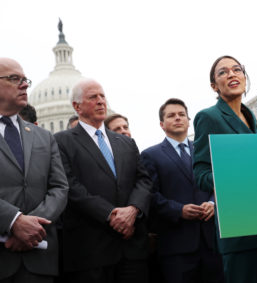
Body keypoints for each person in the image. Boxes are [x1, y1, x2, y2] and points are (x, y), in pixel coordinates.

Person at [193, 55, 257, 283]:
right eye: (223, 72)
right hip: (242, 233)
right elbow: (200, 174)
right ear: (214, 86)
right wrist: (232, 176)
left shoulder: (250, 118)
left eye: (237, 69)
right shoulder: (209, 117)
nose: (232, 74)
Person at [54, 78, 153, 283]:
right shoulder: (61, 141)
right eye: (93, 97)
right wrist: (111, 215)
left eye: (102, 96)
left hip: (132, 248)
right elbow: (70, 186)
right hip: (91, 251)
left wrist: (133, 210)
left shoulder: (125, 142)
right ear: (76, 106)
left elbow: (143, 180)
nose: (100, 101)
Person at [140, 98, 224, 283]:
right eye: (171, 115)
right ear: (162, 124)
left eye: (181, 115)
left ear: (188, 120)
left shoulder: (205, 150)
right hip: (177, 246)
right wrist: (179, 210)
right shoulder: (150, 155)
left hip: (212, 243)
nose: (177, 118)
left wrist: (212, 203)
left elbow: (217, 182)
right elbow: (150, 195)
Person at [0, 57, 68, 282]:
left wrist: (31, 226)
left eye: (25, 79)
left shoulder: (43, 137)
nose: (25, 85)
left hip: (39, 258)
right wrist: (14, 221)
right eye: (13, 79)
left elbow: (59, 188)